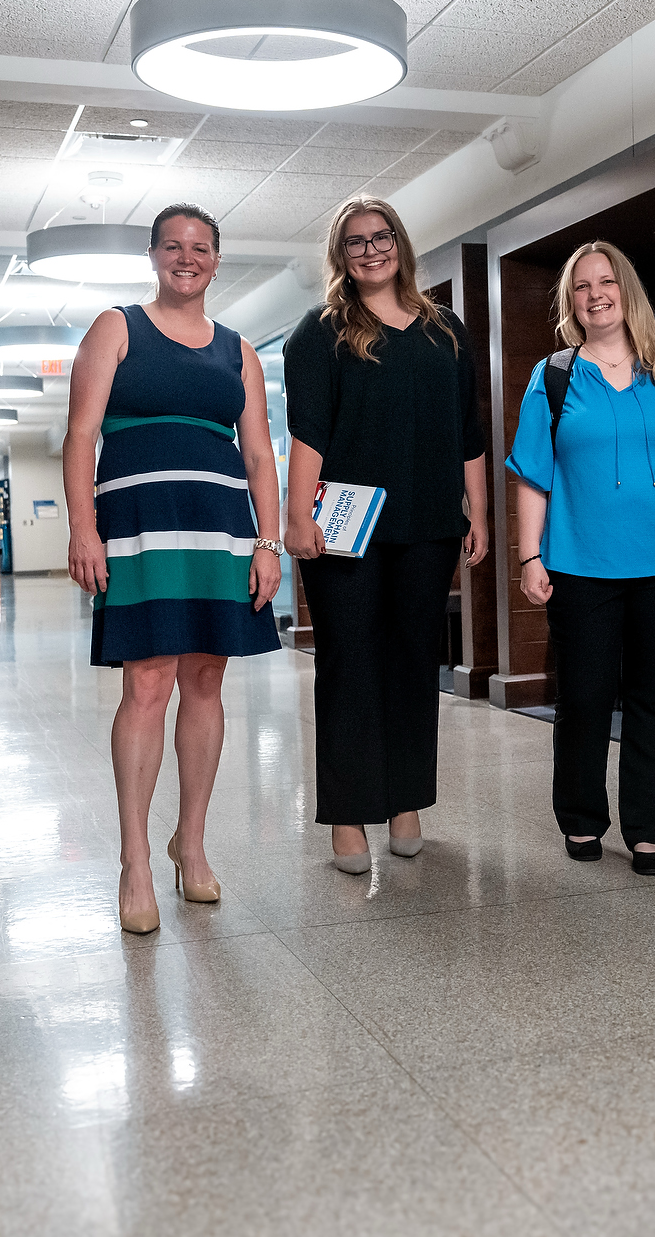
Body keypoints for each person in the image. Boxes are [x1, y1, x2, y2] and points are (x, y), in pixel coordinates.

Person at [63, 204, 284, 935]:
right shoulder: (117, 328)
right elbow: (82, 434)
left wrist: (269, 543)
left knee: (208, 678)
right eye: (173, 246)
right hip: (138, 529)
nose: (186, 258)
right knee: (148, 681)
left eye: (200, 248)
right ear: (154, 255)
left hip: (219, 530)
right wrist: (83, 530)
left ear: (217, 261)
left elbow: (258, 455)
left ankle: (190, 843)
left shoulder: (239, 352)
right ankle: (134, 860)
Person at [506, 241, 655, 875]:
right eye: (582, 286)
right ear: (572, 302)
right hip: (581, 566)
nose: (596, 294)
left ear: (627, 291)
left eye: (606, 282)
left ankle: (648, 830)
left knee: (653, 698)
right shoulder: (553, 376)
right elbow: (534, 473)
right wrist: (530, 556)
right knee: (585, 698)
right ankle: (582, 820)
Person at [283, 196, 488, 873]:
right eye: (355, 242)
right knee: (348, 666)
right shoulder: (320, 332)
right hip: (346, 528)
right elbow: (308, 431)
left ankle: (405, 800)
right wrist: (295, 517)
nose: (370, 251)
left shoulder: (446, 331)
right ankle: (347, 814)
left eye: (380, 237)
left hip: (427, 525)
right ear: (341, 256)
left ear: (399, 242)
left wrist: (478, 514)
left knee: (411, 665)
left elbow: (469, 436)